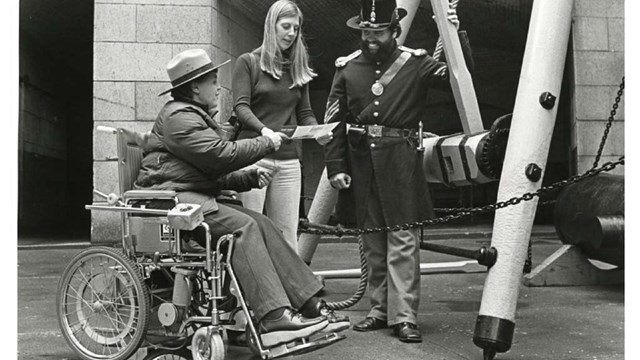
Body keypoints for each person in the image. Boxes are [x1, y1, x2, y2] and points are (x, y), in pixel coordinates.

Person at [134, 48, 349, 347]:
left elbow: (204, 170)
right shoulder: (178, 118)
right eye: (213, 81)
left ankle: (308, 302)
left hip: (187, 194)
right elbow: (220, 158)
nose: (218, 88)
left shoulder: (190, 116)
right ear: (195, 86)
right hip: (169, 201)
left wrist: (248, 177)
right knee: (243, 228)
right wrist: (265, 142)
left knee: (261, 223)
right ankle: (273, 317)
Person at [323, 0, 473, 343]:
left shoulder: (416, 63)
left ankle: (404, 316)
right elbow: (333, 124)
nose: (371, 38)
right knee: (373, 240)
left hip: (401, 162)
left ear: (394, 30)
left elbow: (456, 75)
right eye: (366, 32)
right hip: (362, 165)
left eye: (378, 32)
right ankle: (379, 310)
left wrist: (453, 32)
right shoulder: (346, 69)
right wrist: (336, 167)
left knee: (403, 241)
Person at [232, 0, 332, 252]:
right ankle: (242, 288)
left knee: (287, 233)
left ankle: (292, 291)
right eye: (286, 26)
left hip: (288, 161)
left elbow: (305, 113)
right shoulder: (248, 62)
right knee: (248, 230)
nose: (291, 33)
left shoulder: (297, 66)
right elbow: (240, 108)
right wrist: (265, 132)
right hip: (253, 156)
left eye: (296, 28)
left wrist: (317, 132)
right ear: (271, 26)